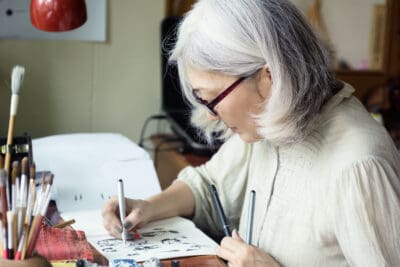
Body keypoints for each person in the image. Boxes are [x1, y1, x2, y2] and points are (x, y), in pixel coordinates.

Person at [102, 0, 400, 266]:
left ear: (268, 77)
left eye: (213, 98)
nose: (209, 113)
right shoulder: (270, 121)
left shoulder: (358, 167)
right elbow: (210, 185)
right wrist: (147, 207)